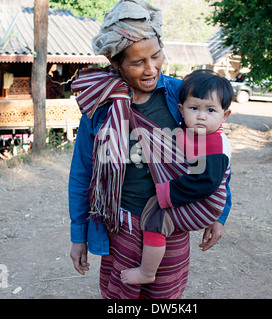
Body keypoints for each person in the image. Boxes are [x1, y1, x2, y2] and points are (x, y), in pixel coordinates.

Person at [69, 0, 232, 299]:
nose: (150, 68)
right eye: (137, 62)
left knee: (165, 296)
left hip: (173, 220)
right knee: (122, 296)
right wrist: (78, 235)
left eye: (156, 56)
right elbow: (83, 173)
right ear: (114, 63)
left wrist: (219, 215)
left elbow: (214, 156)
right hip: (121, 224)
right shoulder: (100, 107)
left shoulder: (182, 96)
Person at [120, 70, 233, 285]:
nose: (201, 116)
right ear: (181, 110)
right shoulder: (194, 134)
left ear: (224, 115)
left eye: (210, 110)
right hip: (196, 196)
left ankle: (147, 272)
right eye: (194, 108)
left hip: (206, 203)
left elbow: (206, 182)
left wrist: (166, 193)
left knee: (156, 220)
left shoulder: (216, 144)